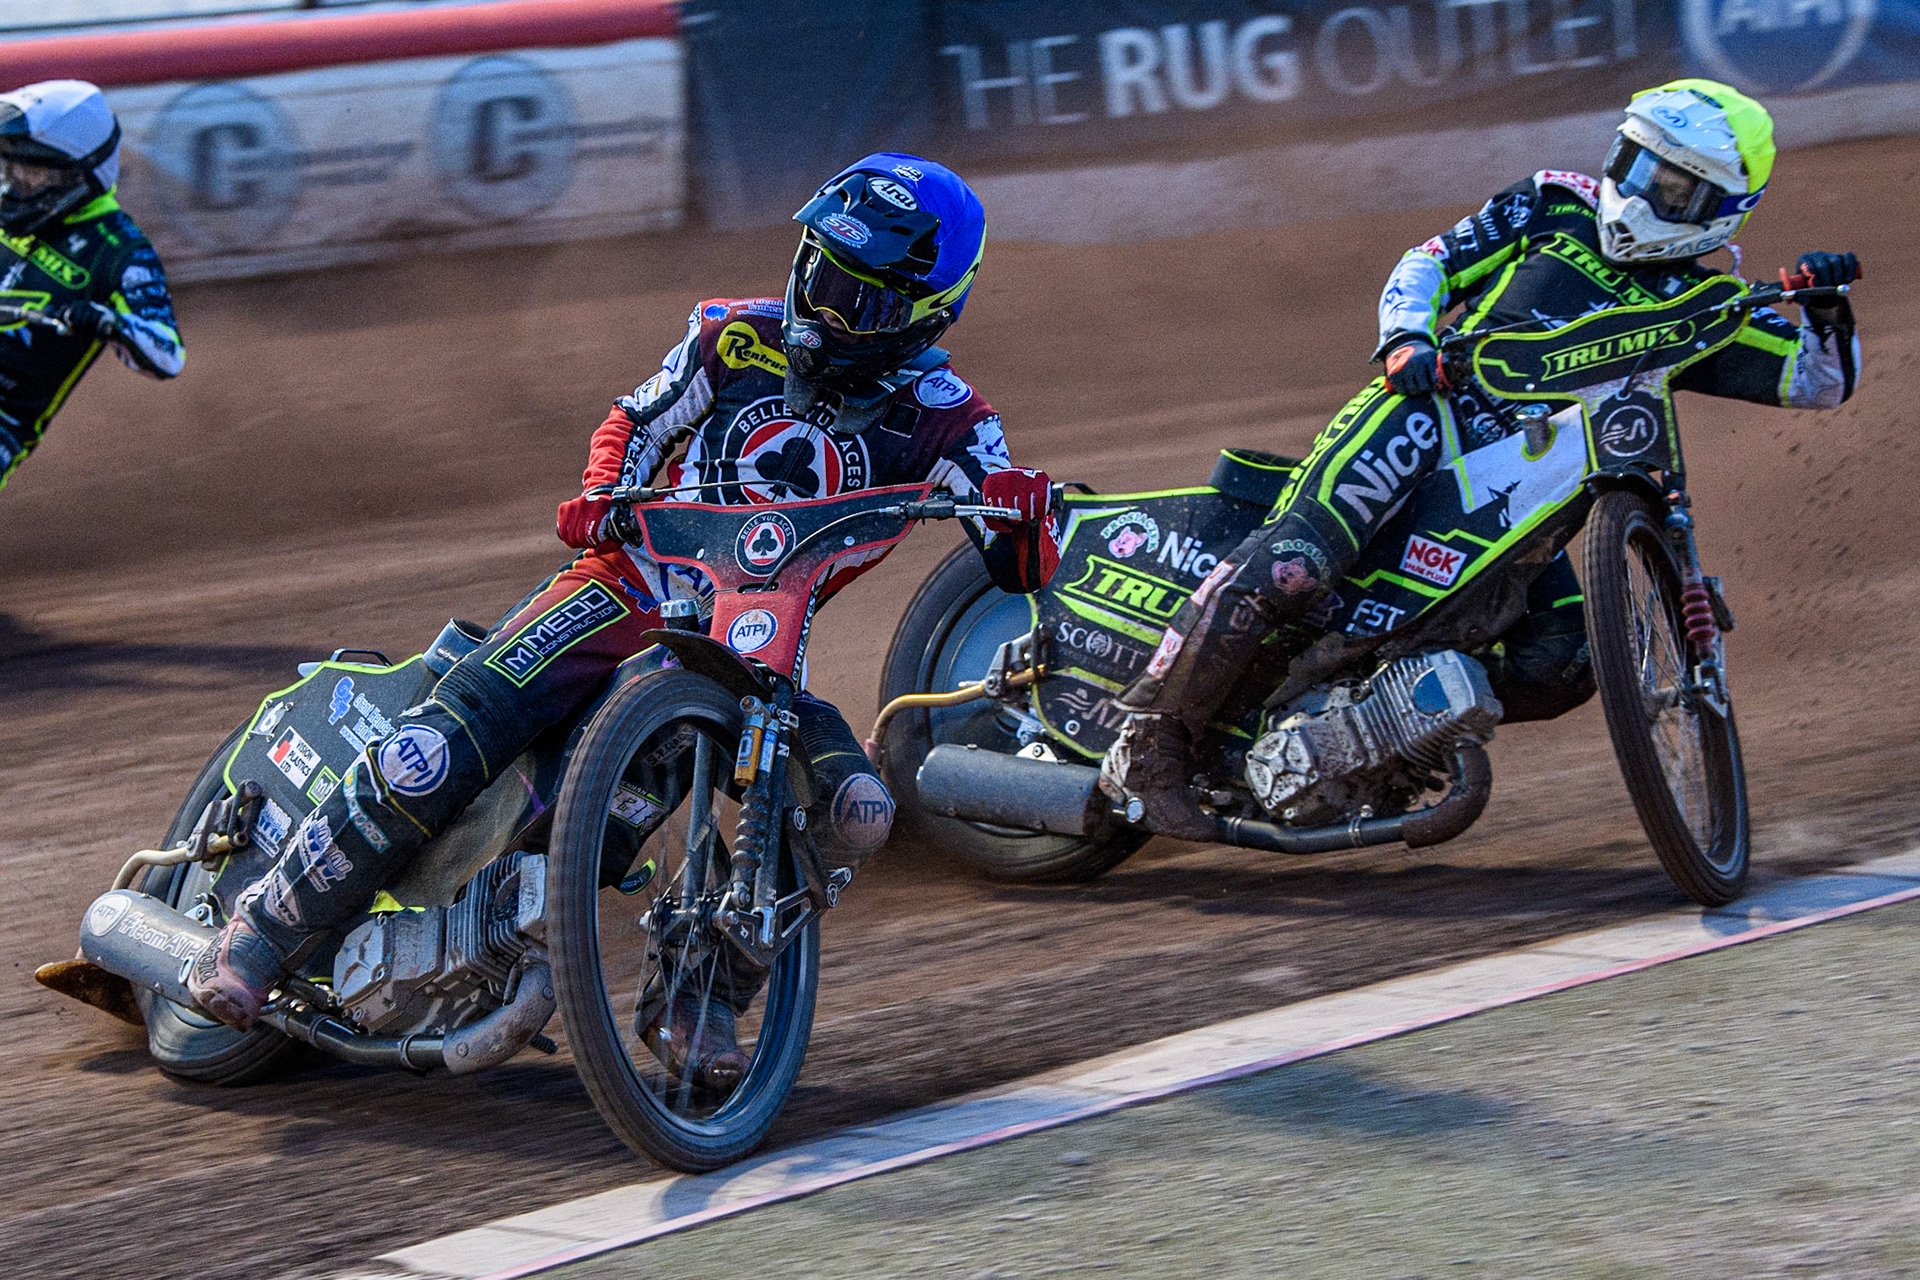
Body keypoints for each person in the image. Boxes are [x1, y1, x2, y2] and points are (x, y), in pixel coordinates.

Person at [187, 154, 1062, 1085]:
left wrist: (1023, 510)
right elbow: (634, 420)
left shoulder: (952, 423)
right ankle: (261, 930)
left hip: (753, 653)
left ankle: (700, 998)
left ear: (926, 312)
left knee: (855, 812)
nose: (825, 302)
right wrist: (603, 490)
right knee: (434, 750)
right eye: (820, 267)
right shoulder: (730, 338)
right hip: (626, 584)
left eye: (860, 295)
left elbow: (1018, 560)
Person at [1100, 78, 1862, 839]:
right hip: (1429, 419)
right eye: (1632, 164)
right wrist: (1407, 339)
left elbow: (1818, 381)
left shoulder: (1707, 307)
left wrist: (1828, 305)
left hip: (1533, 505)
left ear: (1719, 208)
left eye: (1670, 185)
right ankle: (1149, 746)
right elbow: (1428, 261)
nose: (1637, 191)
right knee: (1297, 562)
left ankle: (1386, 726)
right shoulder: (1554, 201)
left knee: (1569, 661)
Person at [0, 80, 183, 491]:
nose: (16, 182)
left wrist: (107, 321)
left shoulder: (122, 253)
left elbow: (168, 354)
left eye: (32, 170)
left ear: (75, 175)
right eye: (10, 166)